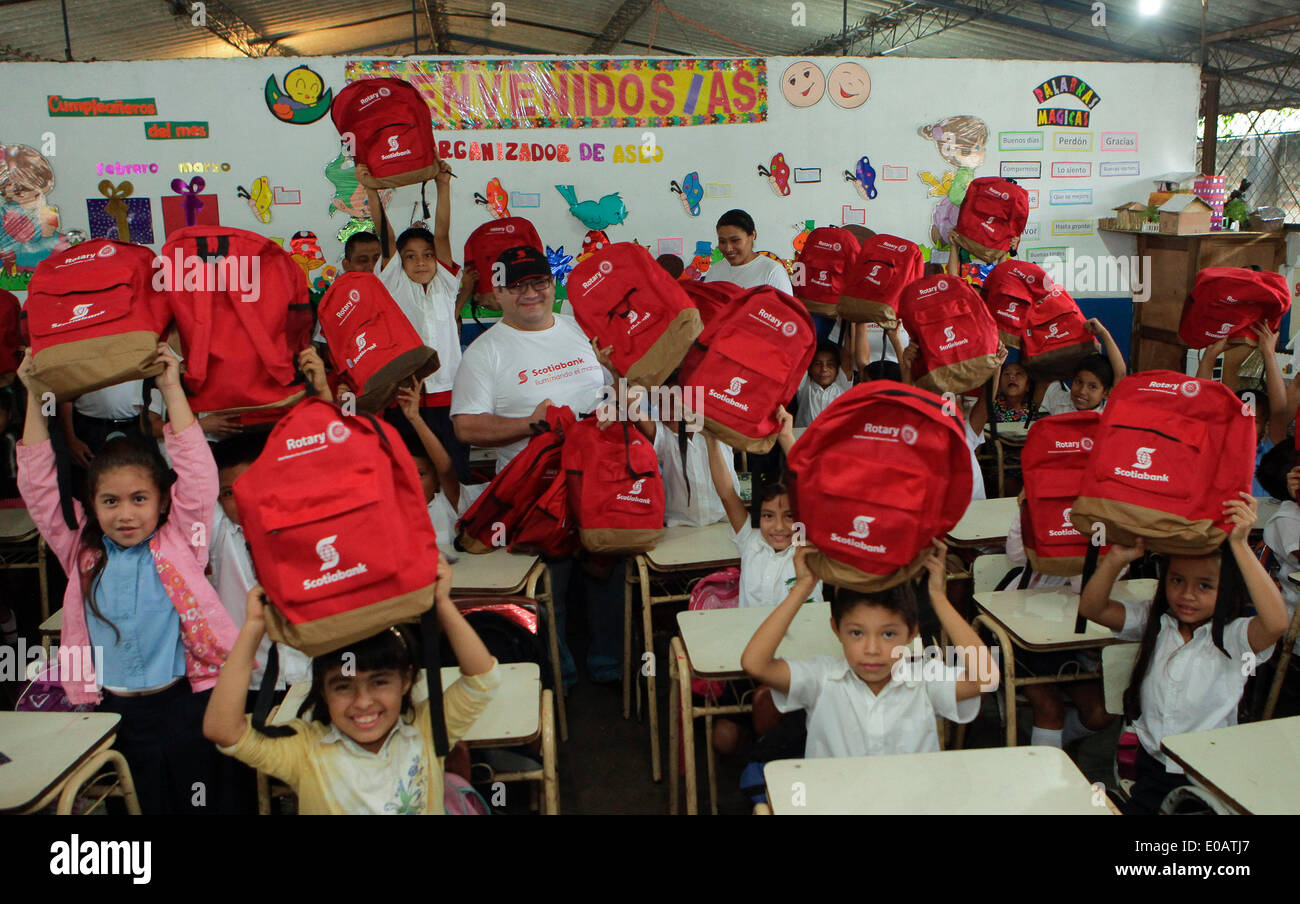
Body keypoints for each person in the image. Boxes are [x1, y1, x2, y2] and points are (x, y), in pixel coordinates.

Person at [15, 344, 239, 814]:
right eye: (110, 502)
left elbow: (198, 474)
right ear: (91, 507)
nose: (125, 513)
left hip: (188, 704)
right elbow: (38, 488)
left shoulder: (184, 540)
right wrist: (35, 398)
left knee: (201, 802)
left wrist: (171, 388)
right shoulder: (81, 550)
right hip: (112, 714)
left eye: (140, 499)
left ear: (162, 502)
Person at [204, 558, 499, 815]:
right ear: (323, 690)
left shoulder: (426, 729)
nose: (362, 702)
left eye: (379, 682)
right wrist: (254, 625)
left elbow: (482, 677)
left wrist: (442, 604)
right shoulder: (306, 750)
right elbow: (223, 731)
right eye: (343, 687)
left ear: (407, 679)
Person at [451, 244, 617, 687]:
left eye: (539, 282)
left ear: (553, 285)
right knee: (551, 588)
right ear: (498, 293)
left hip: (598, 480)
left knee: (607, 576)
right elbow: (466, 427)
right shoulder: (484, 353)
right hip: (536, 493)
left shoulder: (579, 328)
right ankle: (559, 680)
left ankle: (610, 666)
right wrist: (531, 424)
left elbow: (613, 383)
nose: (531, 293)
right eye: (518, 285)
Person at [1078, 494, 1289, 814]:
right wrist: (1116, 558)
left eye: (1205, 586)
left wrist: (1240, 545)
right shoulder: (1156, 622)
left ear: (1227, 591)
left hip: (1213, 772)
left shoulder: (1233, 637)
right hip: (1153, 768)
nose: (1187, 594)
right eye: (1177, 580)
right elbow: (1092, 608)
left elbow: (1275, 622)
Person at [741, 540, 992, 758]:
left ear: (913, 632)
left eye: (888, 634)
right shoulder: (821, 679)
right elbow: (755, 663)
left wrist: (938, 596)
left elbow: (986, 678)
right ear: (836, 629)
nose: (872, 649)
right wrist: (802, 587)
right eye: (857, 633)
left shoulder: (924, 680)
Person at [356, 161, 471, 486]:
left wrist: (443, 185)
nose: (420, 261)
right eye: (410, 256)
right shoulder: (394, 284)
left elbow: (443, 233)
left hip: (449, 394)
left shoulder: (446, 284)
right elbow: (385, 233)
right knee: (410, 473)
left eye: (428, 255)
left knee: (454, 469)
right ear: (399, 261)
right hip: (407, 395)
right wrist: (372, 189)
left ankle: (459, 528)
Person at [705, 411, 822, 608]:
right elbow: (726, 493)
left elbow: (810, 487)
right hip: (752, 637)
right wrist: (711, 440)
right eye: (768, 516)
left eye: (789, 516)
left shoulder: (806, 547)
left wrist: (786, 437)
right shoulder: (751, 540)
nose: (778, 527)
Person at [1196, 324, 1289, 497]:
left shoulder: (1271, 451)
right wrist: (1210, 356)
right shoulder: (1216, 446)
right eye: (1239, 419)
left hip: (1261, 522)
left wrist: (1268, 353)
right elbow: (1199, 405)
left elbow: (1280, 411)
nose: (1245, 425)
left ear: (1265, 428)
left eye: (1254, 421)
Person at [1038, 319, 1127, 415]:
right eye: (1079, 382)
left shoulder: (1107, 411)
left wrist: (1103, 333)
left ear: (1106, 393)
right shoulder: (1059, 400)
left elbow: (1120, 373)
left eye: (1092, 387)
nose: (1082, 391)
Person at [705, 209, 793, 295]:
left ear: (753, 235)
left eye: (735, 240)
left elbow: (787, 309)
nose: (728, 248)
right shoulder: (715, 271)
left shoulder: (773, 272)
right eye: (722, 241)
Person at [792, 340, 852, 428]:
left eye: (830, 364)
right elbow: (799, 355)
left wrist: (852, 327)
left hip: (834, 438)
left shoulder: (843, 386)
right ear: (810, 368)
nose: (824, 369)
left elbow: (847, 357)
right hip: (804, 438)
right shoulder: (805, 386)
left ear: (837, 369)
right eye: (817, 364)